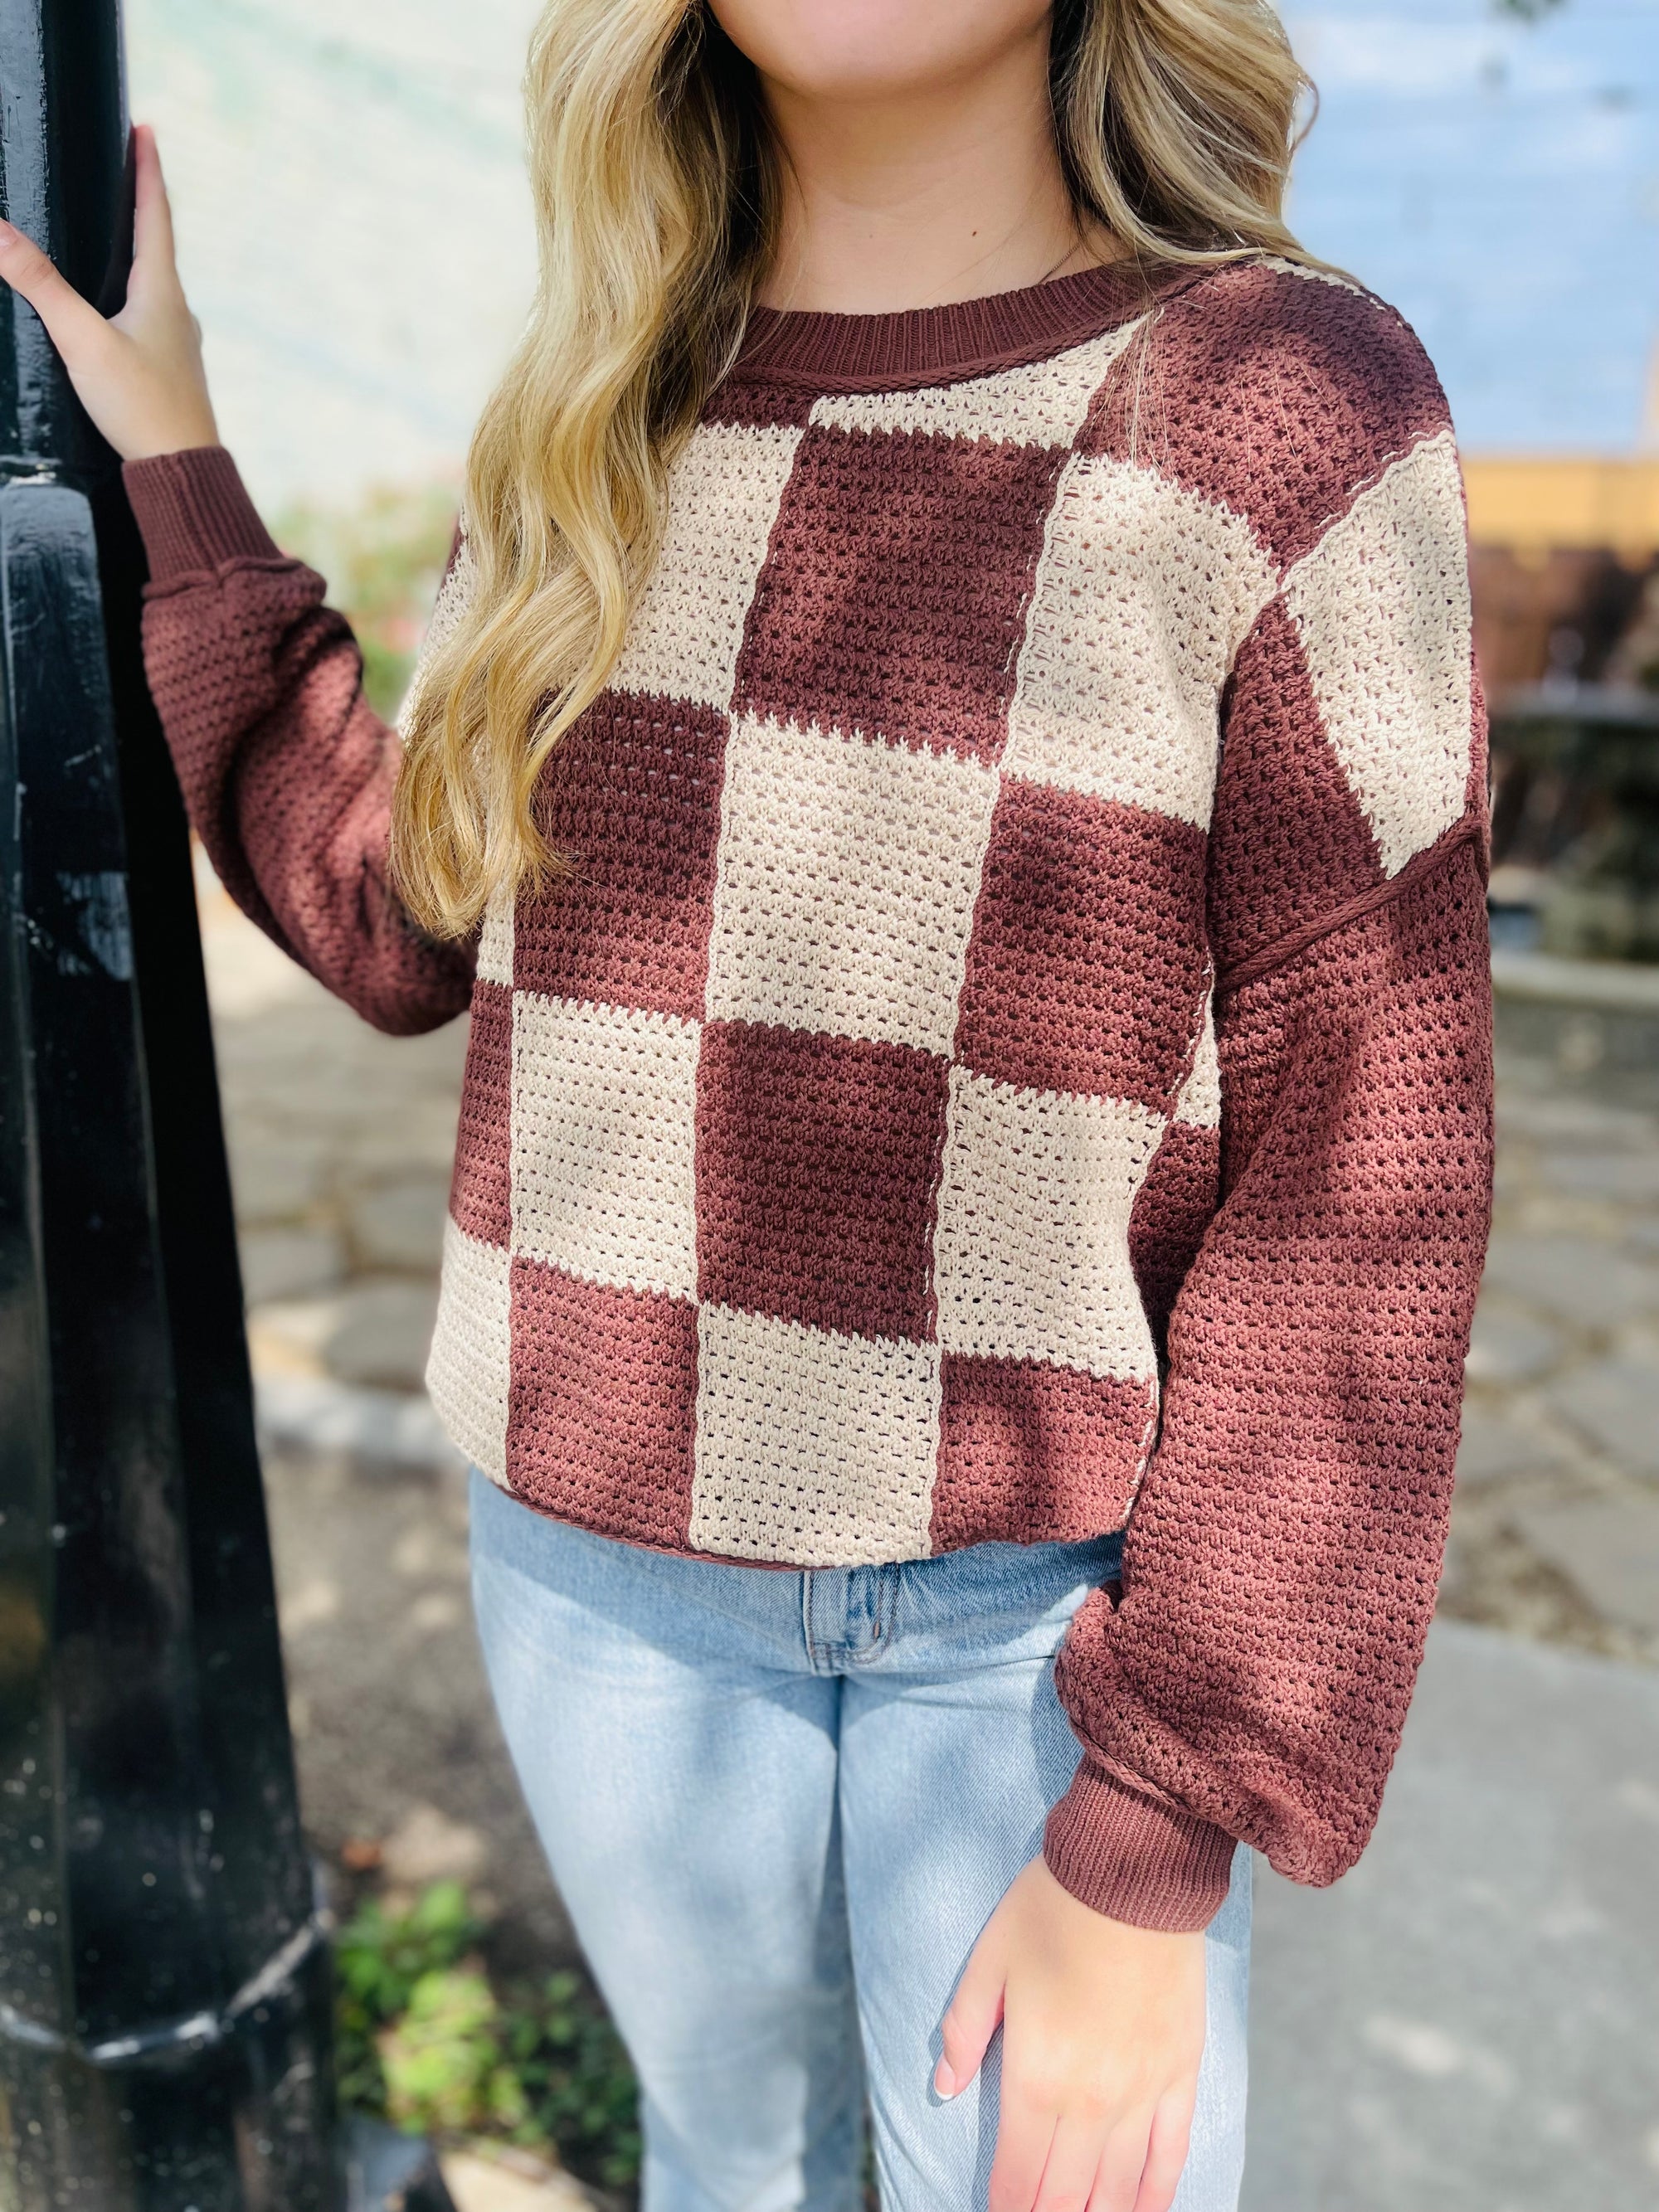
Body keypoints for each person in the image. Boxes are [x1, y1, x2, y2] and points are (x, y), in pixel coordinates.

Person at [0, 1, 1495, 2205]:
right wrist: (185, 465)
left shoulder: (1281, 403)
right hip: (596, 1581)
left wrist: (1164, 1811)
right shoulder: (599, 404)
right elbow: (398, 910)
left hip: (1039, 1622)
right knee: (731, 2166)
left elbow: (1369, 1150)